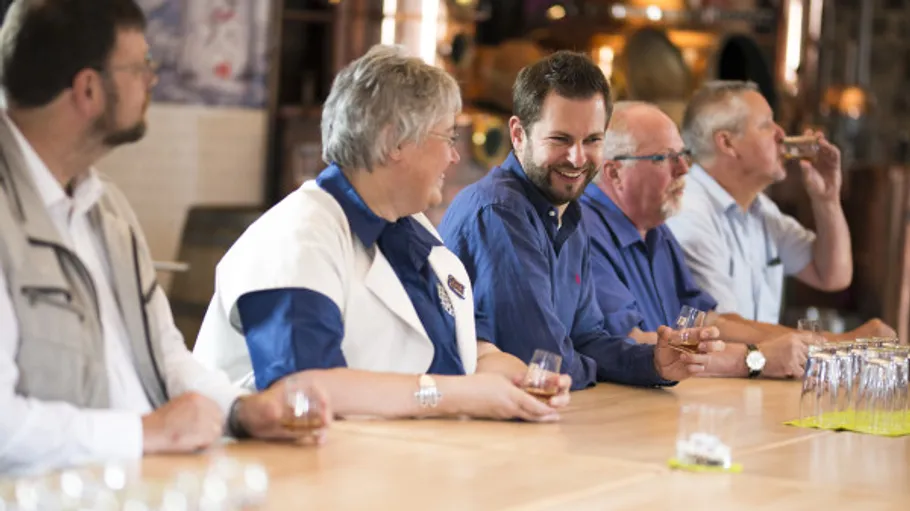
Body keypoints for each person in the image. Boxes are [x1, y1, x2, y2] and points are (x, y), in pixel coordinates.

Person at [0, 0, 328, 475]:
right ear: (88, 89)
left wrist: (242, 409)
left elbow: (164, 354)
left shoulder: (105, 206)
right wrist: (147, 432)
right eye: (141, 67)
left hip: (144, 481)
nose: (152, 80)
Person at [192, 44, 572, 422]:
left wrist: (519, 381)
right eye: (447, 138)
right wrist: (456, 395)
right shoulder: (297, 237)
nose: (453, 157)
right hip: (290, 471)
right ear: (395, 143)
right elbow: (303, 388)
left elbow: (465, 355)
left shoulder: (412, 230)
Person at [437, 51, 724, 390]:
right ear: (518, 135)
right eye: (560, 139)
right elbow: (543, 360)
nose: (577, 158)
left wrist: (654, 363)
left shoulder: (570, 214)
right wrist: (593, 366)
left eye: (592, 141)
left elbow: (588, 338)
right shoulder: (499, 211)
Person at [583, 101, 813, 379]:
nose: (683, 169)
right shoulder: (582, 231)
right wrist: (756, 358)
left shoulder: (655, 228)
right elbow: (631, 344)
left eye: (683, 155)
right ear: (614, 173)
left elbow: (705, 318)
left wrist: (810, 342)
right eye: (663, 158)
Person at [665, 81, 894, 340]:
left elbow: (833, 275)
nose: (781, 134)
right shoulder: (687, 211)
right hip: (714, 377)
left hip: (753, 376)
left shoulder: (761, 210)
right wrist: (839, 343)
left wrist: (827, 200)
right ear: (727, 143)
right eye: (766, 125)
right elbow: (720, 326)